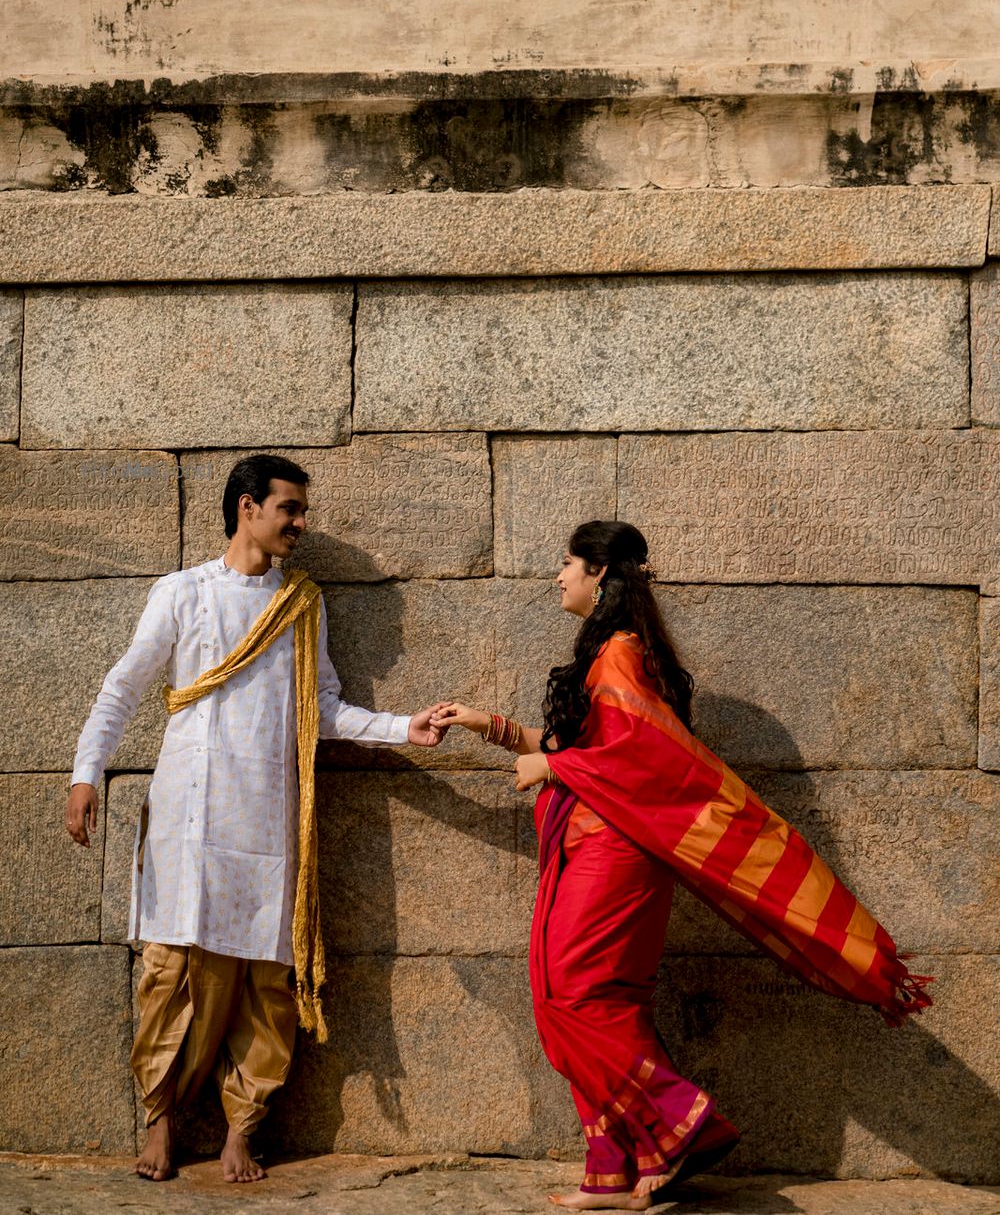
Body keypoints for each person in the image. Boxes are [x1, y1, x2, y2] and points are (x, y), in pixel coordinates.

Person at [432, 520, 931, 1211]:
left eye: (568, 562)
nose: (557, 575)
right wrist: (487, 724)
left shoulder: (620, 654)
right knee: (605, 1003)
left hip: (614, 850)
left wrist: (554, 762)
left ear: (600, 574)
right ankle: (611, 1170)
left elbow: (646, 760)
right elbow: (581, 750)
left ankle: (681, 1124)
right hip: (600, 842)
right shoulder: (611, 654)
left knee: (570, 997)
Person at [65, 453, 443, 1185]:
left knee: (267, 977)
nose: (301, 525)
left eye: (301, 512)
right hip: (189, 814)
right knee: (172, 967)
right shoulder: (181, 594)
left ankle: (243, 1128)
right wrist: (88, 773)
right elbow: (124, 687)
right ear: (247, 508)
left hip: (269, 817)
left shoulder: (303, 603)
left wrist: (405, 727)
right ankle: (161, 1120)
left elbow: (324, 707)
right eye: (290, 510)